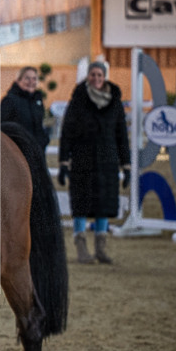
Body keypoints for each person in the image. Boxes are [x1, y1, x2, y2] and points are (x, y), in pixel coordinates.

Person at [57, 59, 130, 264]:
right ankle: (81, 248)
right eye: (93, 75)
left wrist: (127, 165)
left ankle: (100, 249)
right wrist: (64, 163)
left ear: (104, 77)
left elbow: (121, 134)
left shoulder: (115, 101)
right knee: (81, 204)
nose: (96, 78)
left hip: (108, 162)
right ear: (88, 77)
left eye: (99, 75)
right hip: (82, 161)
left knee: (104, 205)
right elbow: (67, 132)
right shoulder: (78, 99)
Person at [0, 66, 50, 152]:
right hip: (17, 152)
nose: (31, 82)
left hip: (37, 151)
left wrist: (44, 139)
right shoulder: (10, 100)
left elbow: (40, 124)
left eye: (34, 78)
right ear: (18, 80)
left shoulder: (37, 100)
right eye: (27, 78)